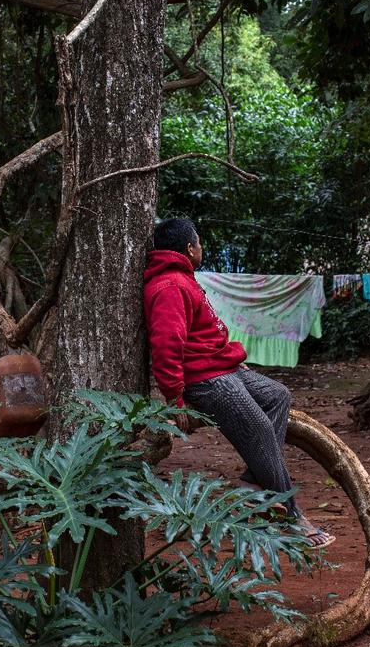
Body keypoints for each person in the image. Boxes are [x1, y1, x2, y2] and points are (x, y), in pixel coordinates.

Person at [143, 217, 335, 547]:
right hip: (204, 379)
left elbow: (201, 335)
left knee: (278, 395)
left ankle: (251, 484)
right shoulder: (170, 286)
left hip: (221, 367)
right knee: (259, 427)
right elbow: (166, 346)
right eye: (199, 242)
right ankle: (291, 517)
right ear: (190, 248)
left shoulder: (182, 279)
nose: (201, 247)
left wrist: (232, 358)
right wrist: (174, 400)